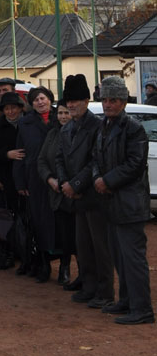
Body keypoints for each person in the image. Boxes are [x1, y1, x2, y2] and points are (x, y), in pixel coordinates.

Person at [92, 75, 154, 324]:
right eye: (105, 99)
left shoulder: (134, 128)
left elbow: (135, 164)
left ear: (123, 101)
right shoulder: (103, 126)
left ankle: (142, 310)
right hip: (111, 204)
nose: (108, 104)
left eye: (113, 100)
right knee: (119, 256)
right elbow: (95, 158)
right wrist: (99, 178)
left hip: (129, 205)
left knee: (133, 259)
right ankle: (127, 301)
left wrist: (106, 181)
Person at [56, 72, 113, 303]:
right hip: (75, 196)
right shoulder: (66, 129)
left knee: (100, 247)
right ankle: (89, 287)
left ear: (87, 101)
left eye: (76, 100)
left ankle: (105, 291)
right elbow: (59, 158)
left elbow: (96, 161)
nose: (71, 105)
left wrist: (75, 184)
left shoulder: (97, 127)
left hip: (93, 196)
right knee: (83, 246)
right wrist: (64, 184)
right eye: (68, 101)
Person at [13, 86, 57, 282]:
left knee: (59, 224)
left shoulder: (61, 118)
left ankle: (63, 264)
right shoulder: (25, 123)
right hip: (34, 179)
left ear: (50, 99)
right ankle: (42, 263)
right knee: (38, 223)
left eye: (43, 98)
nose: (40, 102)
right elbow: (19, 153)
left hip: (57, 178)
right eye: (36, 99)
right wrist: (20, 181)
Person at [37, 97, 77, 286]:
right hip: (55, 194)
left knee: (75, 236)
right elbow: (42, 160)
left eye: (66, 112)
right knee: (61, 234)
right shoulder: (52, 134)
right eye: (60, 112)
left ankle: (76, 270)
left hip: (75, 193)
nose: (63, 116)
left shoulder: (79, 133)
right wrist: (49, 179)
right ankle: (64, 267)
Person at [0, 90, 25, 269]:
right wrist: (7, 155)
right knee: (4, 219)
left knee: (23, 218)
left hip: (24, 178)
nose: (11, 112)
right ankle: (5, 252)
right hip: (5, 178)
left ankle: (21, 253)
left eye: (14, 108)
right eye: (7, 109)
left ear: (20, 108)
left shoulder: (27, 124)